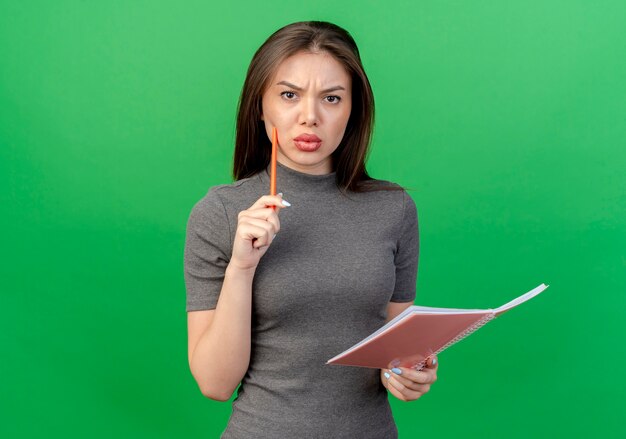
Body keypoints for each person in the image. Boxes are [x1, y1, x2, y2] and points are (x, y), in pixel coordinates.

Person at [184, 21, 438, 438]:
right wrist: (242, 267)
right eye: (289, 95)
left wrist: (413, 372)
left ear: (353, 109)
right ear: (260, 106)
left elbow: (400, 350)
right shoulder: (221, 212)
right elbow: (215, 384)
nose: (310, 117)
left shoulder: (394, 209)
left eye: (332, 98)